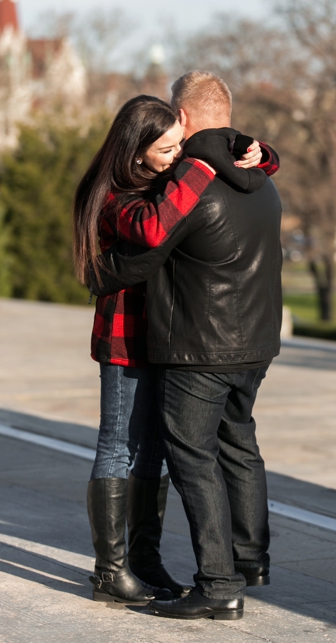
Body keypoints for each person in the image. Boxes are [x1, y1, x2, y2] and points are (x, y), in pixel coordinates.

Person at [72, 95, 278, 604]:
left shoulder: (163, 182)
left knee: (155, 448)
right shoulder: (113, 196)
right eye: (166, 148)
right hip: (126, 333)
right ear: (136, 149)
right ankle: (110, 568)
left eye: (180, 145)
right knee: (117, 443)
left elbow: (238, 170)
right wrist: (204, 163)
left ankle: (144, 556)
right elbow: (154, 228)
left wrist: (261, 154)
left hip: (167, 334)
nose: (176, 155)